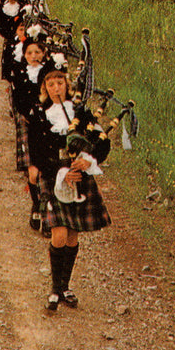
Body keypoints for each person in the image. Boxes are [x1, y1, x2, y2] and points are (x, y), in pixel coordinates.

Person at [27, 65, 112, 311]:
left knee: (73, 236)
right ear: (45, 87)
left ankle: (65, 286)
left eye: (60, 83)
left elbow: (101, 143)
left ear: (67, 85)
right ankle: (54, 289)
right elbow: (37, 148)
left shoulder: (81, 113)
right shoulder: (40, 114)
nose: (56, 88)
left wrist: (89, 161)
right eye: (51, 84)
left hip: (80, 176)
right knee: (60, 234)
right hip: (54, 176)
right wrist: (59, 172)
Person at [10, 35, 49, 232]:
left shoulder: (49, 73)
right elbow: (17, 98)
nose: (34, 56)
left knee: (48, 168)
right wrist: (26, 115)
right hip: (28, 119)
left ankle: (47, 212)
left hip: (47, 120)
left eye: (37, 52)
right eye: (29, 53)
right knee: (33, 168)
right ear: (24, 55)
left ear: (43, 54)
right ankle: (36, 204)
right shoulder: (19, 72)